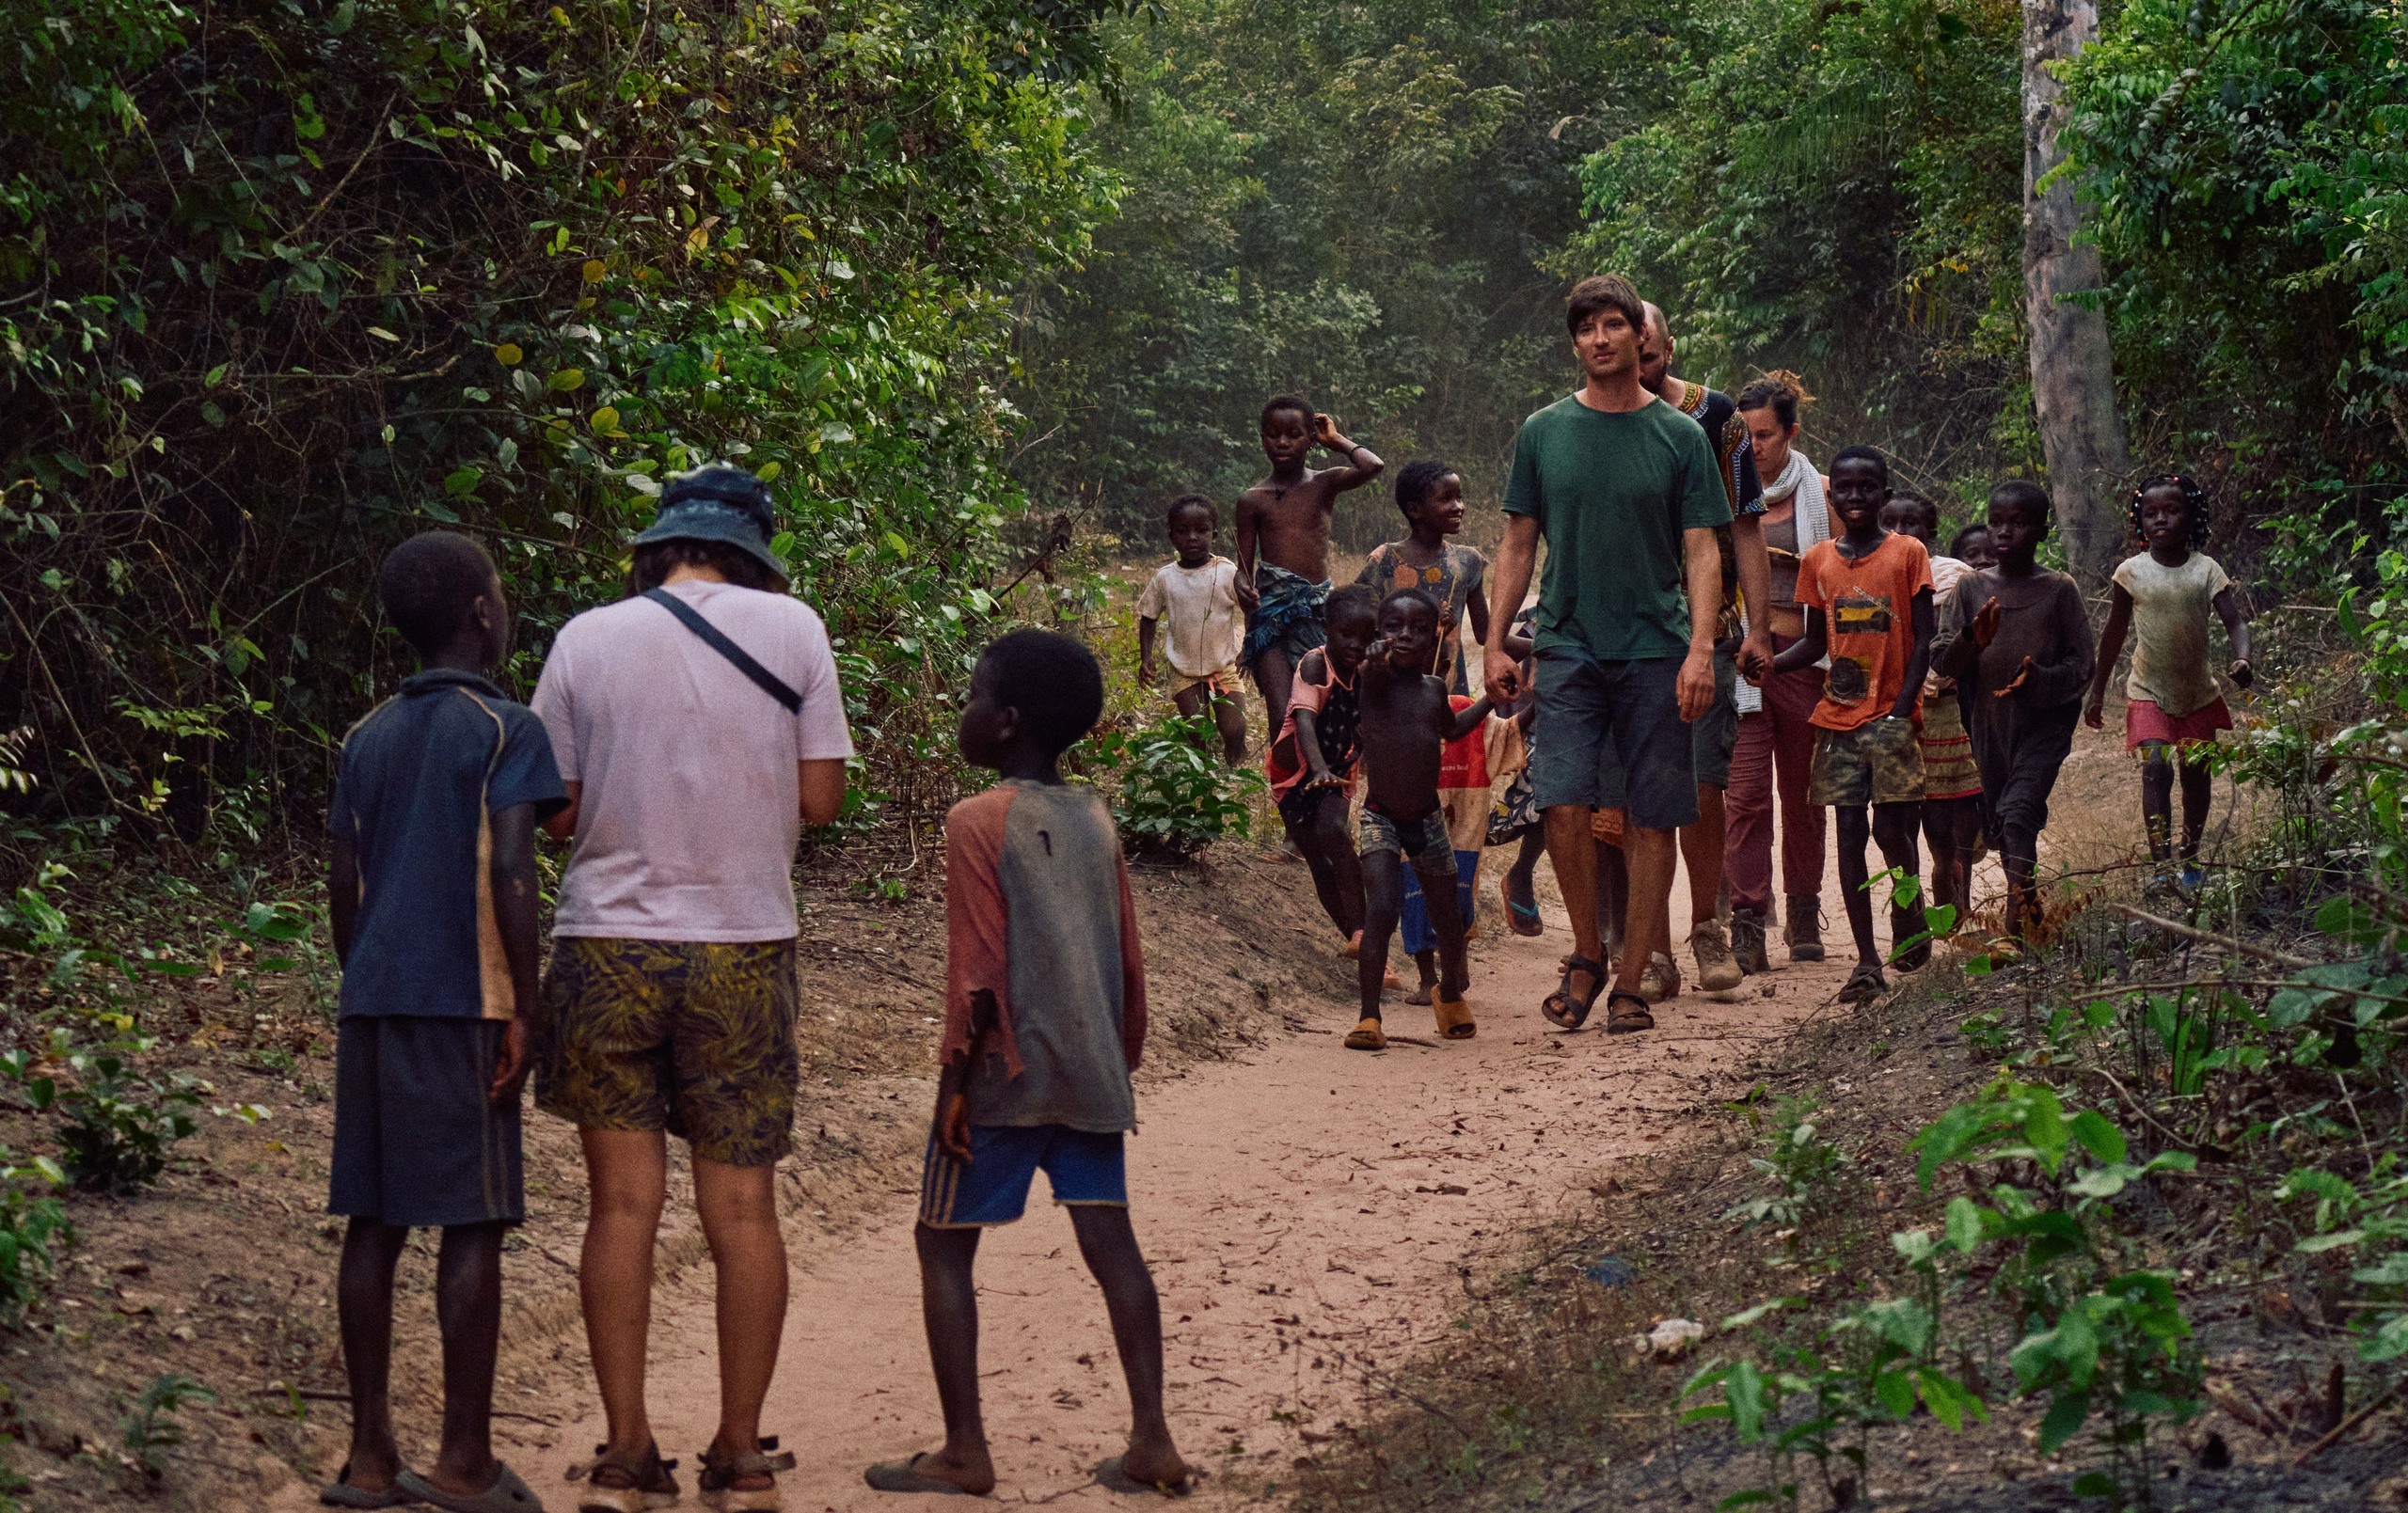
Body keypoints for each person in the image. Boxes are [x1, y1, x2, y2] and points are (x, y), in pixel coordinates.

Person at [532, 468, 852, 1513]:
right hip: (742, 946)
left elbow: (557, 811)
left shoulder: (586, 635)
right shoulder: (795, 627)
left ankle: (626, 1446)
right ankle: (738, 1448)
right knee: (744, 1209)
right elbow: (820, 796)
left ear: (661, 546)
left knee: (621, 1205)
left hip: (606, 945)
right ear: (752, 548)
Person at [864, 630, 1190, 1499]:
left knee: (941, 1243)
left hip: (1002, 1077)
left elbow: (975, 973)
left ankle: (966, 1448)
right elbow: (1127, 958)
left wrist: (952, 1088)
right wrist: (1120, 1060)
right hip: (1089, 1070)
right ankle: (1152, 1436)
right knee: (1112, 1240)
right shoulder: (1095, 816)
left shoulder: (976, 821)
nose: (964, 708)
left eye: (974, 692)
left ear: (1005, 722)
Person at [324, 531, 566, 1512]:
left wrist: (367, 970)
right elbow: (513, 870)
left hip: (373, 998)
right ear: (481, 613)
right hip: (465, 999)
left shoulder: (365, 735)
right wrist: (525, 1003)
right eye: (500, 593)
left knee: (373, 1222)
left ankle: (369, 1455)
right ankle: (464, 1454)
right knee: (473, 1218)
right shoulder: (507, 729)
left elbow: (343, 881)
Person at [1482, 274, 1736, 1037]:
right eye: (1585, 328)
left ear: (1640, 336)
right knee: (1562, 797)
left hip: (1657, 650)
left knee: (1655, 812)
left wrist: (1700, 649)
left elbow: (1703, 552)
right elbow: (1518, 542)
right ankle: (1588, 953)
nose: (1600, 339)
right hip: (1567, 645)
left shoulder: (1681, 437)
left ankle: (1633, 981)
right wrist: (1494, 641)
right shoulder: (1544, 432)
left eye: (1613, 326)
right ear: (1575, 342)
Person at [1636, 303, 1772, 994]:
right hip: (1626, 631)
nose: (1639, 356)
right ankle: (1651, 950)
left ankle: (1706, 929)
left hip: (1706, 624)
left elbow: (1746, 525)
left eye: (1649, 346)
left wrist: (1758, 625)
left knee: (1702, 782)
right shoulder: (1596, 417)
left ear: (1667, 344)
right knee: (1638, 791)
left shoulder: (1719, 417)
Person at [1769, 447, 1934, 1003]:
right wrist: (1771, 662)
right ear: (1831, 496)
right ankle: (1866, 959)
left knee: (1893, 832)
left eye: (1868, 488)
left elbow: (1925, 638)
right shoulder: (1818, 560)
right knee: (1848, 835)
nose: (1856, 497)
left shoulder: (1908, 553)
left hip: (1891, 719)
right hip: (1837, 721)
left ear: (1885, 495)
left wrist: (1901, 707)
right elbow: (1815, 642)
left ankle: (1909, 913)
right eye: (1846, 489)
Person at [1933, 481, 2097, 947]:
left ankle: (2017, 920)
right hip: (1987, 723)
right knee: (2002, 819)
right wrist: (1972, 641)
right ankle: (2029, 903)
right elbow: (1942, 660)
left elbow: (2082, 664)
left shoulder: (2059, 589)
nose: (2004, 532)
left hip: (2045, 723)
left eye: (2019, 522)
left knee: (2020, 811)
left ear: (2042, 531)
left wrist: (2039, 680)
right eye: (1997, 521)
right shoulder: (1969, 589)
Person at [2083, 474, 2254, 891]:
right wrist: (2097, 689)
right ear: (2139, 522)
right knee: (2155, 769)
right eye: (2151, 513)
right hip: (2147, 690)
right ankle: (2161, 869)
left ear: (2190, 516)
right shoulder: (2131, 573)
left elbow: (2235, 620)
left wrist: (2243, 656)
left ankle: (2191, 859)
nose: (2161, 519)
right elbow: (2114, 633)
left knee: (2196, 777)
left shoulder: (2206, 570)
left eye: (2172, 511)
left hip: (2197, 693)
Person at [1346, 589, 1496, 1049]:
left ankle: (1448, 993)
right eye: (1393, 627)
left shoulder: (1433, 691)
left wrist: (1491, 700)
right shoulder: (1372, 680)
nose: (1404, 636)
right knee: (1383, 909)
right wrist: (1371, 660)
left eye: (1416, 629)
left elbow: (1452, 730)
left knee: (1448, 919)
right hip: (1381, 817)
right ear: (1378, 635)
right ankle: (1369, 1017)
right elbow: (1368, 676)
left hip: (1428, 820)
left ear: (1434, 640)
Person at [1725, 373, 1832, 970]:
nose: (1755, 447)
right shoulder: (1721, 492)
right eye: (1745, 436)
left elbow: (1844, 580)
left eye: (1765, 435)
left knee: (1803, 795)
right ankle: (1746, 920)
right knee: (1743, 797)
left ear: (1791, 431)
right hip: (1741, 663)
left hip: (1804, 661)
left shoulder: (1820, 494)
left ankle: (1802, 912)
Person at [1233, 397, 1385, 739]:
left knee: (1322, 702)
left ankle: (1321, 774)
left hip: (1317, 612)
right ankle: (1285, 787)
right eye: (1272, 434)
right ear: (1261, 438)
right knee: (1281, 710)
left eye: (1294, 434)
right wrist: (1241, 585)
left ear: (1311, 439)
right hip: (1270, 617)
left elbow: (1372, 466)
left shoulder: (1324, 483)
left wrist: (1337, 441)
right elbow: (1243, 566)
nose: (1282, 442)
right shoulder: (1252, 499)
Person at [1262, 586, 1388, 971]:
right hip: (1295, 773)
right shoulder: (1314, 665)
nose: (1355, 645)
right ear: (1326, 627)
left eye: (1365, 637)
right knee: (1318, 860)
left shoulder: (1369, 669)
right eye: (1346, 634)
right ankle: (1356, 937)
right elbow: (1303, 721)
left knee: (1334, 832)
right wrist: (1316, 768)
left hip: (1335, 768)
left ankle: (1367, 939)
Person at [1883, 492, 1984, 927]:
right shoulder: (1872, 573)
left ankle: (1951, 882)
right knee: (1900, 817)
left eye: (1913, 526)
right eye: (1893, 524)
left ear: (1931, 532)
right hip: (1892, 710)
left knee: (1947, 817)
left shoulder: (1954, 577)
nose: (1902, 534)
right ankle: (1911, 906)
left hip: (1944, 710)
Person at [1355, 460, 1490, 693]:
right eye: (1446, 499)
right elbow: (1361, 630)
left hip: (1448, 691)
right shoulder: (1383, 560)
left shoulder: (1467, 561)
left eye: (1459, 497)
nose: (1458, 506)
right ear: (1414, 510)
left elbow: (1486, 635)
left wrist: (1541, 644)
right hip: (1393, 692)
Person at [1135, 495, 1248, 765]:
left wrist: (1249, 646)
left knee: (1233, 728)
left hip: (1224, 664)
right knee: (1197, 732)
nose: (1192, 538)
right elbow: (1148, 617)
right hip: (1183, 669)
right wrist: (1146, 657)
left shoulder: (1226, 571)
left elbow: (1249, 606)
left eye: (1201, 531)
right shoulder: (1165, 578)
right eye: (1183, 532)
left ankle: (1235, 759)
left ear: (1215, 534)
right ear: (1172, 537)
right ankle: (1205, 774)